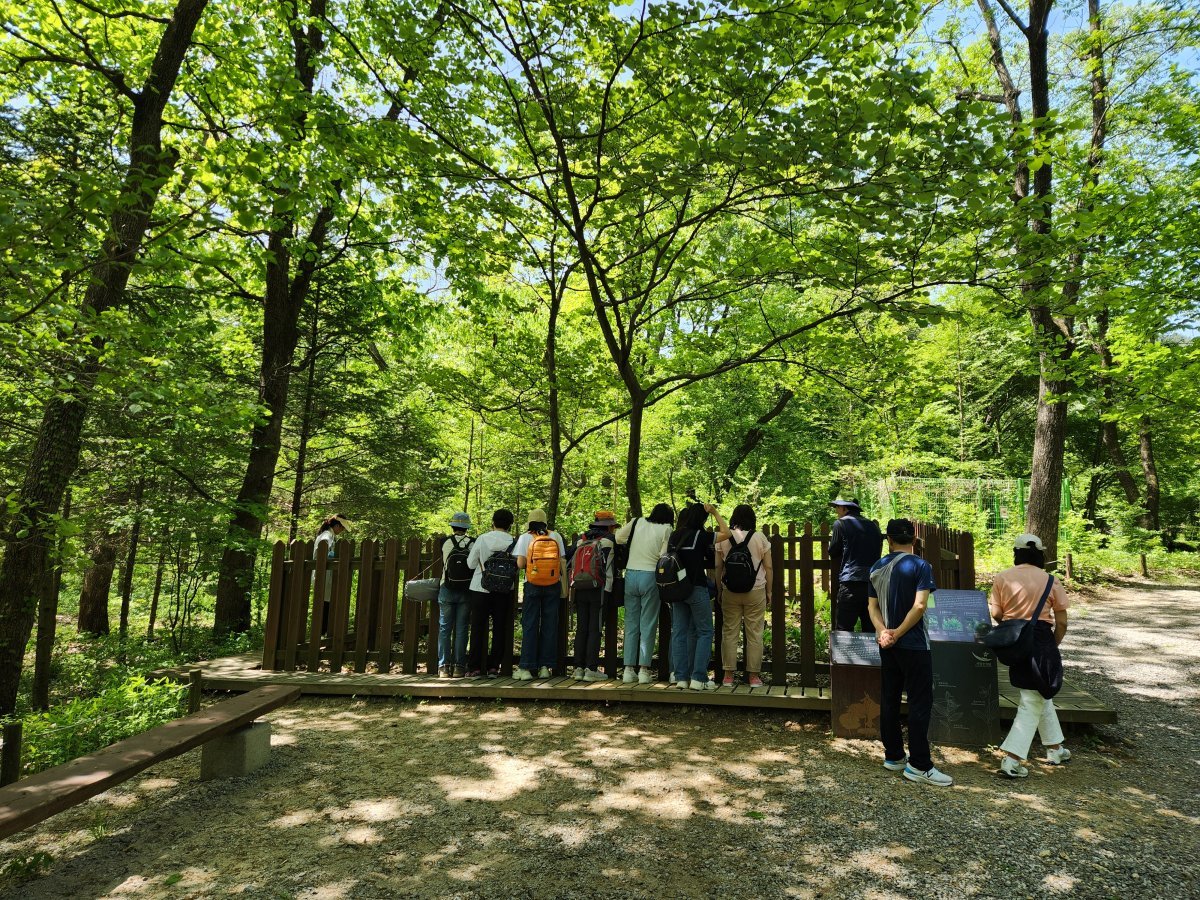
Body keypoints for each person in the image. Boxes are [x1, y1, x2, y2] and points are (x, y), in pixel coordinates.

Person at [868, 518, 953, 787]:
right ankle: (919, 764)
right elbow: (919, 606)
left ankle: (893, 755)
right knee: (919, 701)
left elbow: (872, 607)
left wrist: (884, 632)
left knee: (890, 697)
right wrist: (898, 633)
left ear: (889, 541)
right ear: (914, 540)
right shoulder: (921, 566)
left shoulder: (877, 566)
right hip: (913, 643)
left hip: (886, 644)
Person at [990, 533, 1071, 778]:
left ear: (1016, 553)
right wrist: (1051, 645)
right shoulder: (1051, 580)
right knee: (1032, 698)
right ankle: (1012, 759)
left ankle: (1055, 748)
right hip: (1042, 640)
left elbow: (996, 613)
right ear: (1040, 554)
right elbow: (1063, 622)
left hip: (1016, 640)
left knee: (1037, 692)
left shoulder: (1002, 578)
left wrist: (1015, 628)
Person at [669, 502, 731, 691]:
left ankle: (681, 678)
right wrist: (715, 512)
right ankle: (698, 678)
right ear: (702, 520)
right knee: (705, 632)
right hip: (696, 588)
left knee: (679, 633)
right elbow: (726, 533)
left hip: (677, 590)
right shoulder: (700, 536)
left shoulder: (675, 535)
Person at [614, 503, 674, 683]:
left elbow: (618, 537)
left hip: (631, 575)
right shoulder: (666, 529)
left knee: (631, 623)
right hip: (650, 576)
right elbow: (664, 554)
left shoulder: (636, 522)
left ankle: (628, 669)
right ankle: (644, 670)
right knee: (647, 624)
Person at [714, 504, 772, 687]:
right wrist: (769, 591)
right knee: (755, 633)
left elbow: (718, 567)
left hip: (730, 591)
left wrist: (719, 589)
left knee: (730, 632)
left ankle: (728, 675)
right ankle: (753, 677)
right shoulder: (759, 537)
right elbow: (769, 566)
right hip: (755, 591)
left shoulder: (724, 538)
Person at [513, 508, 567, 680]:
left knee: (530, 624)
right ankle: (545, 667)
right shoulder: (555, 536)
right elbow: (561, 561)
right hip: (552, 584)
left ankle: (527, 668)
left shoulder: (525, 537)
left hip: (533, 584)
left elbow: (521, 564)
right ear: (545, 522)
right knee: (550, 625)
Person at [465, 508, 517, 677]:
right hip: (504, 590)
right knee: (499, 628)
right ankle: (494, 666)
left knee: (478, 628)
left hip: (481, 587)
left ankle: (474, 668)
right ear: (510, 525)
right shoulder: (514, 541)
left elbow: (471, 564)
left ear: (493, 522)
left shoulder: (483, 539)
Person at [569, 510, 617, 682]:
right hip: (600, 588)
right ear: (610, 526)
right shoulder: (610, 541)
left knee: (582, 628)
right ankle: (591, 668)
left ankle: (578, 668)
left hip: (580, 587)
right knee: (595, 628)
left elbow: (569, 558)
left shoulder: (581, 540)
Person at [829, 498, 883, 633]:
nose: (836, 511)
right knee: (870, 628)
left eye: (837, 508)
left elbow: (833, 550)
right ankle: (871, 654)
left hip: (850, 582)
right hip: (872, 582)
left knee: (844, 628)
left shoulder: (840, 524)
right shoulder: (873, 525)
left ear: (844, 509)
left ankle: (844, 654)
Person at [437, 512, 474, 678]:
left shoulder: (444, 542)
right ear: (467, 528)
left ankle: (443, 667)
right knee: (462, 629)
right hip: (466, 589)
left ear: (452, 526)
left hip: (446, 587)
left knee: (445, 628)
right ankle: (459, 667)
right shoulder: (472, 543)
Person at [312, 514, 350, 635]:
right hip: (324, 575)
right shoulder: (327, 535)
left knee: (325, 604)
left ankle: (322, 632)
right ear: (337, 526)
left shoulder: (330, 535)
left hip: (325, 575)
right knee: (324, 606)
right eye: (342, 528)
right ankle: (321, 632)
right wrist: (331, 556)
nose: (342, 531)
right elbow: (320, 550)